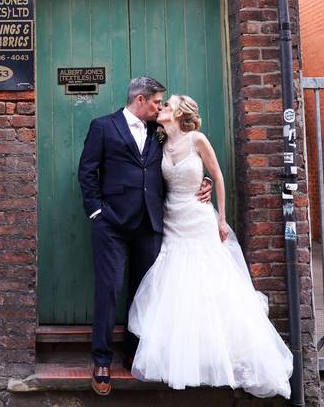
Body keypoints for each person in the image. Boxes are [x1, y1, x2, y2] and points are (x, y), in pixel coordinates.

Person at [127, 94, 293, 398]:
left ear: (179, 113)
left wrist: (222, 218)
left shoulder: (197, 139)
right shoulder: (159, 141)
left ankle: (222, 355)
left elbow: (216, 176)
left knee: (210, 281)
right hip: (172, 219)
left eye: (167, 104)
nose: (161, 107)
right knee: (177, 283)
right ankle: (185, 355)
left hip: (200, 218)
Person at [78, 77, 212, 396]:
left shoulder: (160, 132)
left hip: (151, 224)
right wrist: (96, 212)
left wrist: (201, 182)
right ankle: (101, 360)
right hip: (111, 224)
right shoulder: (103, 127)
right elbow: (87, 171)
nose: (159, 107)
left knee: (146, 292)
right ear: (140, 100)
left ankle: (135, 351)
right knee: (109, 290)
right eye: (156, 102)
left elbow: (178, 163)